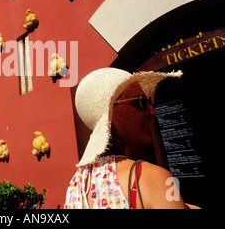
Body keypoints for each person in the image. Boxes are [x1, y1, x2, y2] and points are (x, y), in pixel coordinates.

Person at [64, 68, 198, 209]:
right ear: (112, 111)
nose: (153, 111)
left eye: (149, 101)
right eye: (140, 101)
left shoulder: (76, 186)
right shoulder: (151, 178)